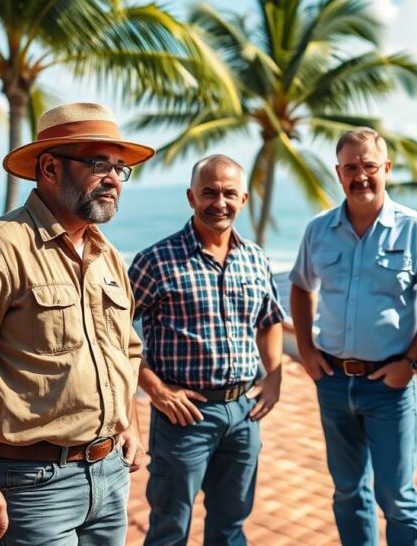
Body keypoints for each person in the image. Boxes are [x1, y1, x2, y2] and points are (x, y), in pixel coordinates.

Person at [0, 102, 152, 544]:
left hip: (111, 478)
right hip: (32, 488)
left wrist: (127, 422)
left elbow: (124, 351)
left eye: (119, 167)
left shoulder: (108, 255)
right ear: (51, 167)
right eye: (99, 164)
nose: (114, 178)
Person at [290, 127, 417, 545]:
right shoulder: (318, 230)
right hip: (334, 383)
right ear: (338, 173)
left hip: (388, 387)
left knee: (397, 497)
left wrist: (411, 363)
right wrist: (305, 349)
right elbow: (301, 286)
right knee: (347, 492)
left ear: (386, 169)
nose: (361, 176)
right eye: (351, 168)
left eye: (369, 166)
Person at [130, 155, 284, 546]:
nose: (220, 202)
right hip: (185, 415)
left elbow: (269, 320)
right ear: (191, 197)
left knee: (231, 527)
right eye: (209, 192)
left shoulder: (255, 258)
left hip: (243, 412)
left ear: (244, 199)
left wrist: (275, 377)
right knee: (170, 529)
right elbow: (111, 335)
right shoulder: (155, 261)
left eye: (229, 193)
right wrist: (156, 390)